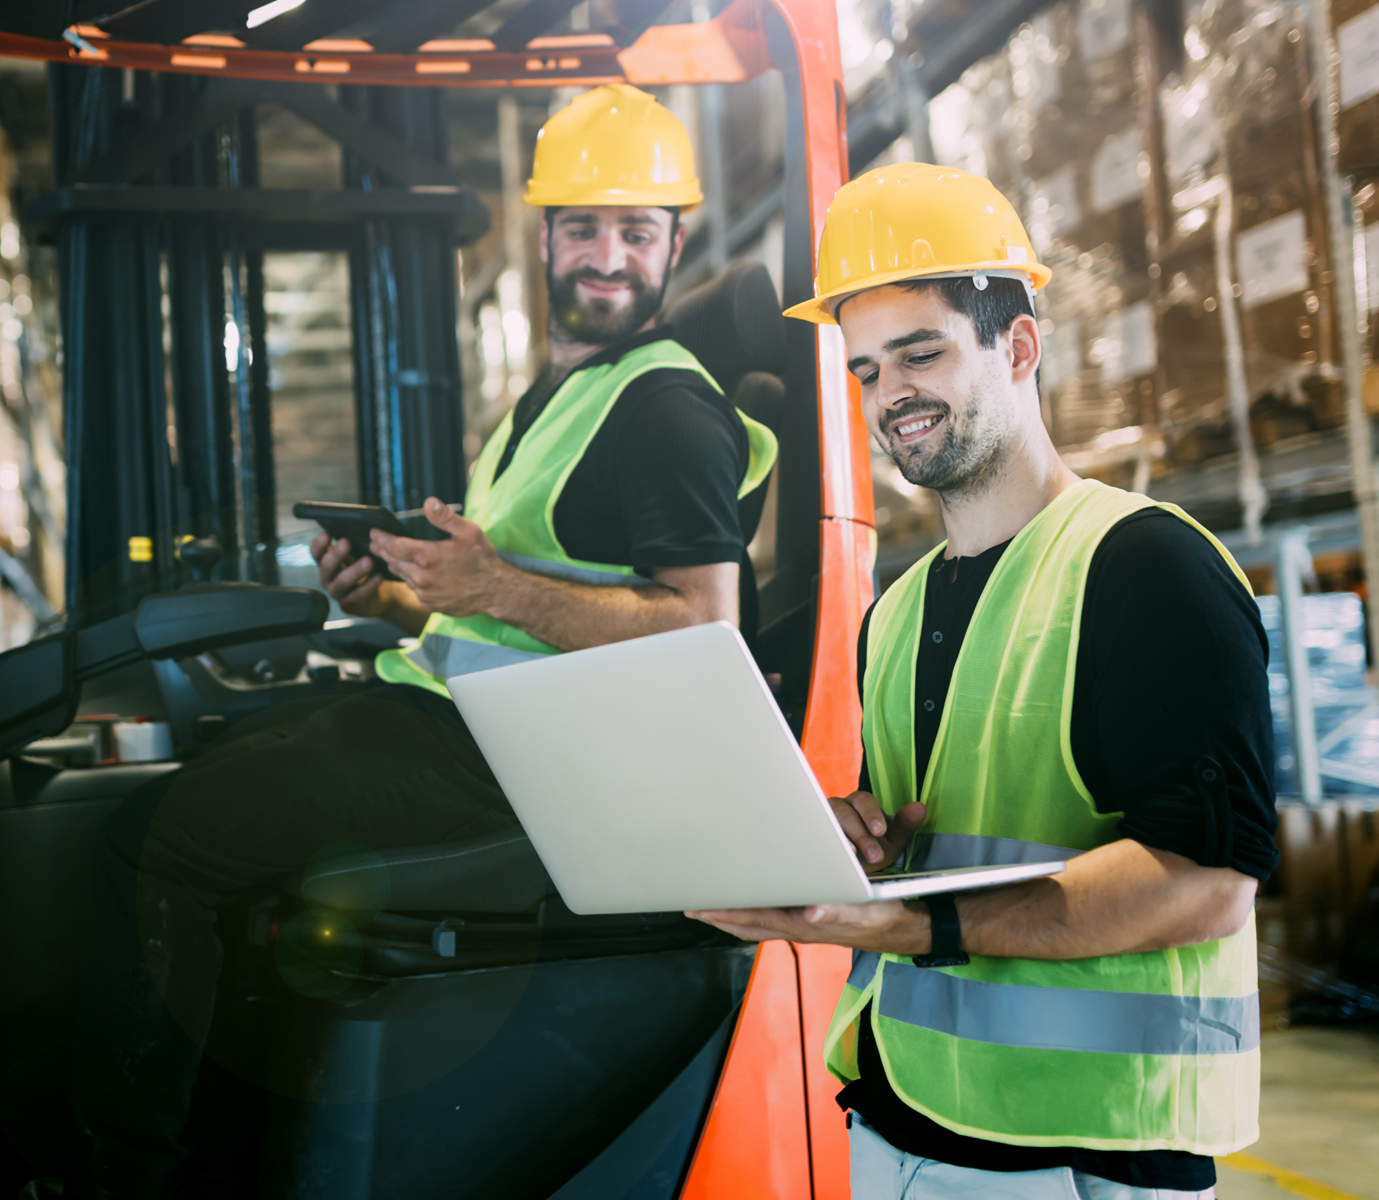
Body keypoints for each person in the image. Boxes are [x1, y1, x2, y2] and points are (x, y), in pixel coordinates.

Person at [65, 84, 777, 1197]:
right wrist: (392, 598)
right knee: (195, 820)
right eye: (583, 227)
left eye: (635, 232)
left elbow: (702, 628)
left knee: (152, 847)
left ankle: (135, 1180)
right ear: (544, 236)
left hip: (521, 763)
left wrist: (490, 578)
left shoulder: (665, 409)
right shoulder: (556, 396)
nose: (606, 256)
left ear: (674, 243)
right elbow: (495, 615)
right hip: (463, 719)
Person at [691, 163, 1278, 1200]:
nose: (892, 396)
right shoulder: (897, 612)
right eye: (867, 370)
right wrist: (855, 842)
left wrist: (905, 923)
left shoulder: (1146, 568)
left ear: (1017, 346)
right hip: (901, 1121)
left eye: (921, 354)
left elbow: (1207, 883)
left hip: (1082, 1155)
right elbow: (948, 834)